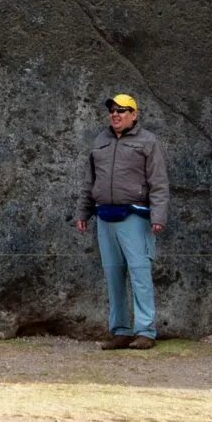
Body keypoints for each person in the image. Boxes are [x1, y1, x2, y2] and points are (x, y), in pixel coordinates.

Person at [73, 92, 167, 349]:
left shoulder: (148, 142)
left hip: (135, 217)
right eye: (112, 109)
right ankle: (121, 331)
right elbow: (89, 182)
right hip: (104, 216)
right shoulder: (100, 141)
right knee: (113, 276)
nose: (116, 114)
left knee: (140, 274)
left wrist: (158, 216)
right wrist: (83, 212)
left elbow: (158, 183)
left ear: (134, 115)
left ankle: (146, 332)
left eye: (122, 110)